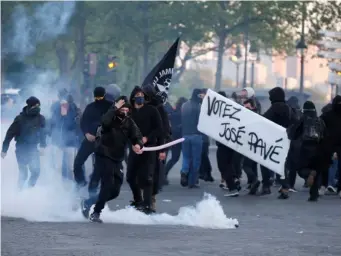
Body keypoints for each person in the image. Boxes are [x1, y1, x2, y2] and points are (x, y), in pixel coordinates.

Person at [81, 98, 144, 223]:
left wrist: (138, 144)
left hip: (117, 157)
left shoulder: (129, 122)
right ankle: (96, 212)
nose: (125, 112)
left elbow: (137, 135)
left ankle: (88, 202)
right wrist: (114, 108)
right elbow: (104, 122)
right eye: (122, 109)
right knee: (107, 184)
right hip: (104, 154)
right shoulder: (109, 118)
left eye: (127, 110)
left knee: (115, 191)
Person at [127, 86, 163, 214]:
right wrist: (132, 143)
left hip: (149, 148)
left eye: (142, 95)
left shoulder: (152, 110)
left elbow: (159, 128)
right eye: (137, 95)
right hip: (134, 149)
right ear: (133, 97)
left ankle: (147, 205)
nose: (140, 97)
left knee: (147, 177)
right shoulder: (129, 113)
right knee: (130, 176)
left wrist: (147, 138)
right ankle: (138, 201)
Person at [1, 96, 46, 189]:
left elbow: (43, 133)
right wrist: (4, 150)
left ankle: (29, 190)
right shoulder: (20, 119)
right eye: (36, 106)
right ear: (30, 106)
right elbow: (9, 134)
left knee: (36, 171)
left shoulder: (41, 118)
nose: (38, 108)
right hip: (21, 149)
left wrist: (43, 145)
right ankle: (19, 192)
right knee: (24, 174)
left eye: (39, 106)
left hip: (33, 149)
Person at [261, 87, 297, 199]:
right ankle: (285, 187)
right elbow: (294, 122)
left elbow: (264, 120)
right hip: (285, 141)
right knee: (281, 165)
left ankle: (266, 186)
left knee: (265, 163)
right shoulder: (288, 108)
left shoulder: (274, 108)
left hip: (272, 140)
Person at [73, 87, 112, 188]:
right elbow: (83, 122)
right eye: (96, 97)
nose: (98, 99)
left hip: (104, 141)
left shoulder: (110, 107)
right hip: (90, 139)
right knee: (77, 163)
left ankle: (95, 187)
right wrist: (86, 133)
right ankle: (81, 183)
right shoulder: (90, 107)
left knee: (100, 166)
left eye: (100, 97)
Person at [286, 101, 325, 199]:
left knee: (301, 169)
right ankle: (313, 195)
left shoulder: (302, 119)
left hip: (304, 149)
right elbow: (325, 135)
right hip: (318, 149)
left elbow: (293, 133)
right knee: (316, 170)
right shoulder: (320, 121)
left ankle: (308, 174)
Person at [308, 95, 341, 200]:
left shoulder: (327, 115)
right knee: (326, 166)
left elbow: (318, 123)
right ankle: (327, 186)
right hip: (329, 144)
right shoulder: (327, 115)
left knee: (325, 166)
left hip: (328, 144)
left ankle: (323, 186)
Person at [49, 91, 80, 180]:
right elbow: (53, 122)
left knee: (69, 165)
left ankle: (69, 184)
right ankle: (61, 183)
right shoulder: (56, 107)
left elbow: (75, 124)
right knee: (61, 165)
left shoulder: (73, 108)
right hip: (60, 139)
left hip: (68, 140)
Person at [180, 88, 203, 188]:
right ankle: (192, 181)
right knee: (196, 159)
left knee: (186, 157)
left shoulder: (184, 105)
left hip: (185, 135)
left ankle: (184, 172)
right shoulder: (199, 106)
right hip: (196, 135)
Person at [165, 97, 187, 184]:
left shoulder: (173, 113)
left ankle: (164, 173)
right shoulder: (181, 114)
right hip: (180, 138)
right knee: (178, 158)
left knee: (174, 158)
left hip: (173, 138)